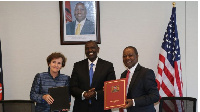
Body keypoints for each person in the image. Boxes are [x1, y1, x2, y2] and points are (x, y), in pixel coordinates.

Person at [70, 40, 116, 112]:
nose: (89, 50)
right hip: (81, 108)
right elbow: (72, 87)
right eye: (87, 48)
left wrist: (96, 93)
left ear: (98, 49)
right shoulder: (77, 66)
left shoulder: (108, 66)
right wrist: (84, 94)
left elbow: (111, 88)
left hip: (101, 108)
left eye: (92, 47)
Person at [120, 46, 159, 112]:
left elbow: (154, 96)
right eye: (124, 56)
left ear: (137, 56)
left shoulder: (146, 73)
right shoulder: (123, 75)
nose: (127, 58)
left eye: (130, 55)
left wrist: (134, 101)